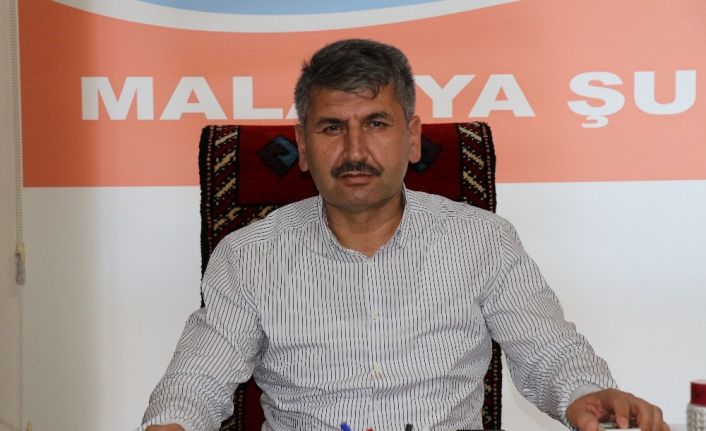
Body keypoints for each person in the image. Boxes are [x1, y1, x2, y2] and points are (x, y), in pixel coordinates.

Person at [139, 39, 668, 431]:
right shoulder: (248, 254)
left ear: (412, 137)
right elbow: (198, 380)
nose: (354, 151)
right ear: (301, 144)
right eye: (331, 127)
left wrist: (586, 394)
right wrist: (172, 423)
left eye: (376, 123)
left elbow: (548, 350)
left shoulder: (482, 240)